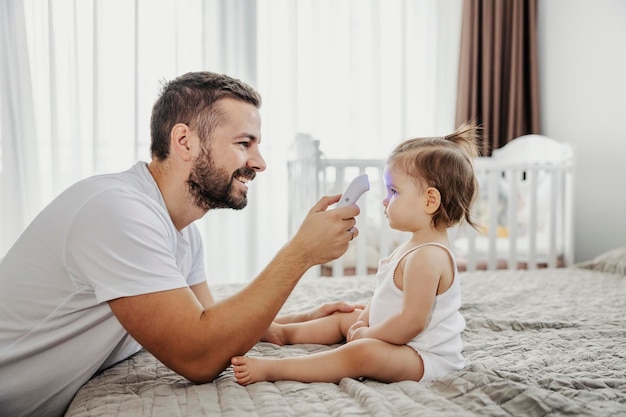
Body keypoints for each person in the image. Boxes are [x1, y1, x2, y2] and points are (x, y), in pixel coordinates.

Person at [0, 71, 363, 417]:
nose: (259, 163)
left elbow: (211, 326)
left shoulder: (182, 230)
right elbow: (200, 357)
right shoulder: (117, 212)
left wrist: (286, 330)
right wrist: (299, 254)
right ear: (185, 141)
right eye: (243, 144)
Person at [231, 122, 481, 385]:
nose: (385, 200)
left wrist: (369, 334)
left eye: (393, 192)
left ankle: (275, 369)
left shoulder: (428, 257)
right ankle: (284, 333)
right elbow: (384, 297)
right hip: (402, 341)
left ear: (430, 201)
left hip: (424, 357)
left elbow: (412, 322)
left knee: (362, 353)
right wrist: (363, 320)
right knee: (346, 316)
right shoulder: (411, 248)